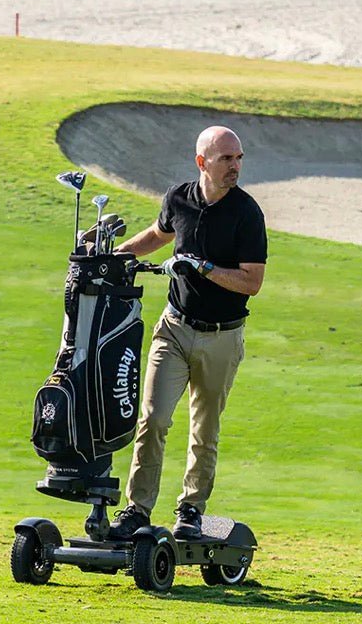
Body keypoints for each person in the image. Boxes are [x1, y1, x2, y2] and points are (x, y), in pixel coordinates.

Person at [108, 125, 267, 540]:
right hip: (175, 328)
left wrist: (202, 267)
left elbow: (252, 282)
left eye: (239, 158)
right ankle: (136, 510)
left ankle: (191, 510)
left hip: (222, 337)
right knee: (154, 419)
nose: (236, 167)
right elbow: (158, 235)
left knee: (204, 429)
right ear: (202, 163)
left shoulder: (247, 213)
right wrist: (113, 255)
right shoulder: (179, 198)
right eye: (226, 159)